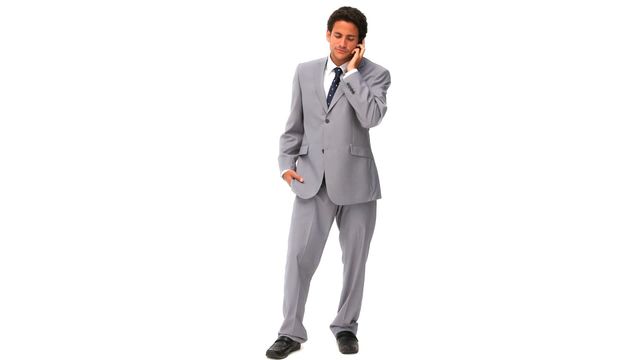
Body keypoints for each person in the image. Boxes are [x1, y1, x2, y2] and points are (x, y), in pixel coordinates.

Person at [266, 6, 391, 359]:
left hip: (357, 184)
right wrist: (285, 164)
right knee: (298, 258)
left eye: (350, 38)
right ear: (327, 34)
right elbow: (295, 123)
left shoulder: (376, 74)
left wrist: (352, 75)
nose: (342, 42)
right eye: (338, 35)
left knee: (355, 260)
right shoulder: (305, 72)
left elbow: (371, 118)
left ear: (360, 42)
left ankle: (346, 327)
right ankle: (290, 332)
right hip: (310, 179)